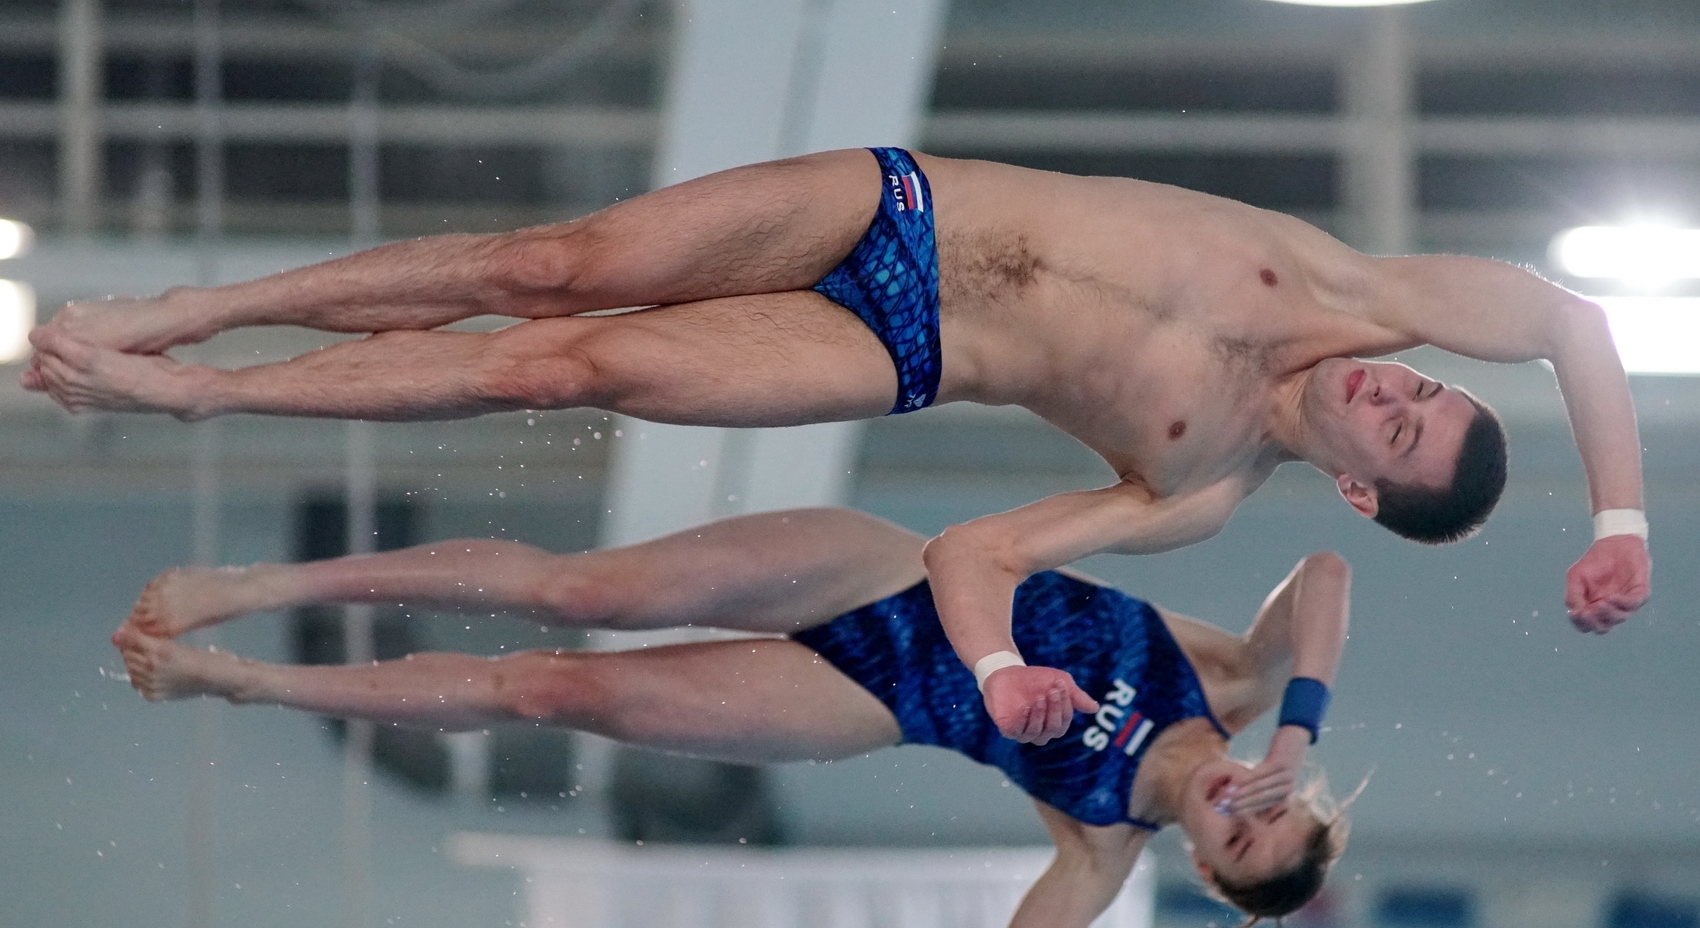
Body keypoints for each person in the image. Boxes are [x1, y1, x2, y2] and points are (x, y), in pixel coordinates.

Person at [32, 147, 1645, 736]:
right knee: (553, 266)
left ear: (1362, 487)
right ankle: (191, 310)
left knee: (561, 366)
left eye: (1406, 429)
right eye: (1423, 386)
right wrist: (1620, 518)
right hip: (903, 201)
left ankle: (196, 392)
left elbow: (975, 550)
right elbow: (1577, 325)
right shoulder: (1365, 288)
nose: (1395, 391)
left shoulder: (1203, 485)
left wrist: (998, 658)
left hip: (899, 346)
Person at [112, 506, 1358, 928]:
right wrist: (1297, 717)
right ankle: (264, 582)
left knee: (546, 690)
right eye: (1273, 797)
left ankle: (243, 677)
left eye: (1238, 835)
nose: (1240, 800)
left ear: (1203, 861)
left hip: (860, 693)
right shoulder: (1240, 681)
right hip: (885, 571)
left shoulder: (1097, 843)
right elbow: (1323, 569)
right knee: (575, 589)